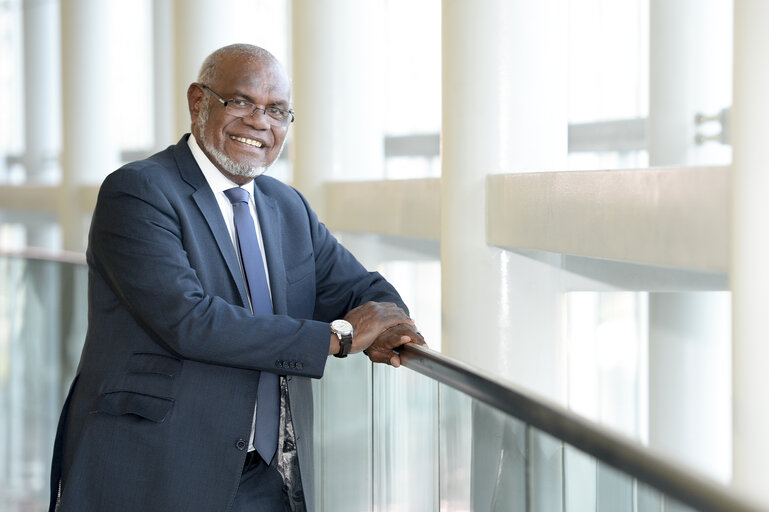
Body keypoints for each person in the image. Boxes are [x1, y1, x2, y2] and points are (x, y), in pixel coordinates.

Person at [48, 43, 424, 512]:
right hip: (158, 468)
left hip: (268, 477)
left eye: (278, 110)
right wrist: (339, 338)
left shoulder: (286, 206)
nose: (259, 122)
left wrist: (392, 325)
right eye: (242, 102)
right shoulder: (139, 191)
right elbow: (190, 321)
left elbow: (361, 289)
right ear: (198, 101)